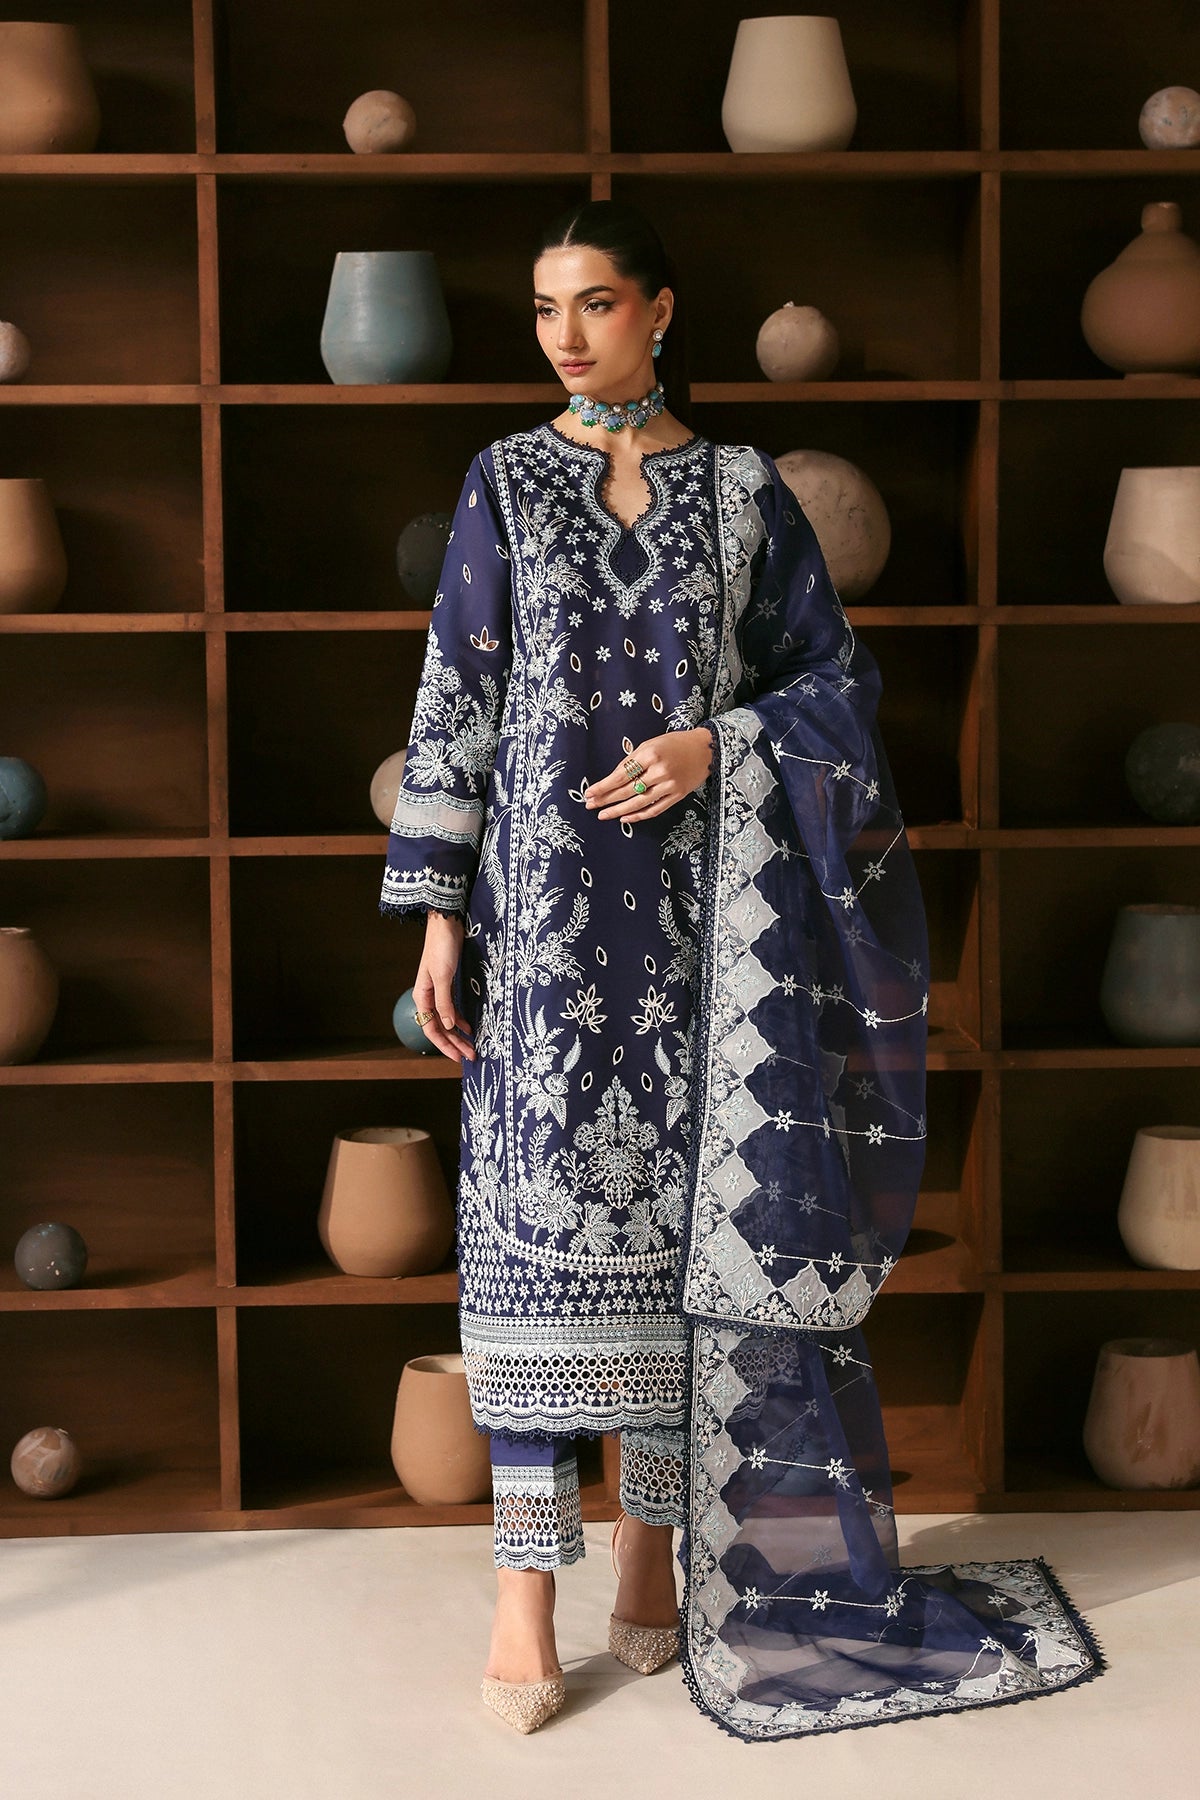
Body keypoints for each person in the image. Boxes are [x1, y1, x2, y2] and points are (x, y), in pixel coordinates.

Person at [380, 200, 1105, 1738]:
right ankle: (525, 1594)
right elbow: (456, 695)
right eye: (542, 309)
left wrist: (726, 741)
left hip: (710, 933)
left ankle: (652, 1561)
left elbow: (837, 682)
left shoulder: (742, 492)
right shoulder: (505, 483)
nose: (564, 334)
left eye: (592, 303)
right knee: (525, 1235)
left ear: (660, 313)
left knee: (672, 1254)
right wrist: (442, 909)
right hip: (548, 920)